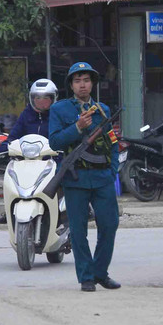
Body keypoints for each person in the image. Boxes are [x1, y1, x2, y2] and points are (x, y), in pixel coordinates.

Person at [49, 62, 121, 292]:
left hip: (102, 177)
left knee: (109, 225)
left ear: (92, 84)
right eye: (78, 80)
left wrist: (113, 170)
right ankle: (86, 277)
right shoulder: (60, 110)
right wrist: (78, 127)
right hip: (76, 177)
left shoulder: (102, 110)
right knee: (79, 230)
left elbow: (113, 143)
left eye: (87, 80)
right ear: (71, 85)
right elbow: (54, 142)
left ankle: (100, 272)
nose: (82, 85)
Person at [0, 79, 58, 153]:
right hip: (27, 157)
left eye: (45, 98)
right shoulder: (26, 115)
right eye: (38, 98)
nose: (41, 102)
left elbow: (64, 140)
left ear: (53, 99)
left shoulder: (59, 116)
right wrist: (6, 146)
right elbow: (13, 137)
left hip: (52, 157)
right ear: (32, 99)